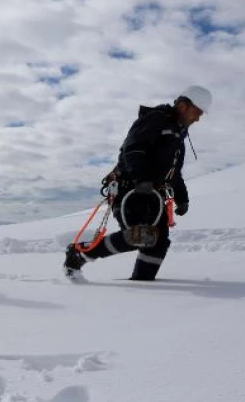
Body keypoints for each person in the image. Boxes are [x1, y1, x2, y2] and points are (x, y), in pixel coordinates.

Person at [64, 86, 212, 281]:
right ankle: (79, 254)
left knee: (158, 241)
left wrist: (182, 199)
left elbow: (174, 173)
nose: (198, 119)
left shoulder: (178, 137)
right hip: (130, 189)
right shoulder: (155, 119)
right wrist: (141, 179)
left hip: (153, 195)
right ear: (184, 106)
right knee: (141, 236)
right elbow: (133, 149)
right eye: (197, 112)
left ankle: (143, 285)